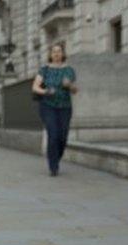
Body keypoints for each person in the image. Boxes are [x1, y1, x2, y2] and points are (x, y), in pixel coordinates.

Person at [32, 43, 78, 176]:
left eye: (59, 51)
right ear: (50, 54)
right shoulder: (44, 69)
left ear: (63, 54)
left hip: (65, 107)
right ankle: (53, 167)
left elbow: (75, 90)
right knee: (53, 135)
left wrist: (69, 85)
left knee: (62, 137)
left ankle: (55, 158)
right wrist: (46, 91)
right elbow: (35, 87)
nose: (56, 54)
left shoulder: (69, 70)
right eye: (54, 51)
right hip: (48, 106)